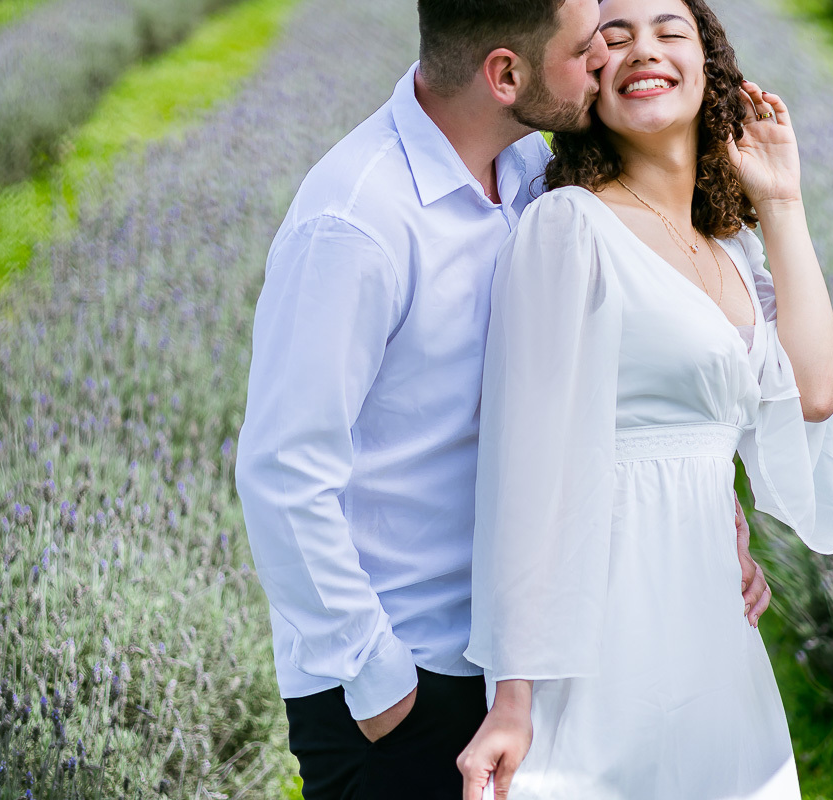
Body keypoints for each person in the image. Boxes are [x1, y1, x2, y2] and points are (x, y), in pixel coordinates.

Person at [233, 1, 773, 797]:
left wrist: (703, 515)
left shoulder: (530, 173)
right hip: (407, 677)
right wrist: (383, 687)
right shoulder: (356, 223)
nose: (604, 60)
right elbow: (282, 474)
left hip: (526, 660)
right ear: (506, 75)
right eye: (585, 48)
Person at [457, 0, 833, 797]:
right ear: (589, 79)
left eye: (670, 31)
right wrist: (512, 697)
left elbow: (813, 395)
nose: (644, 48)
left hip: (713, 615)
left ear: (708, 67)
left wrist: (782, 202)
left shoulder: (734, 251)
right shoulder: (568, 228)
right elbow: (523, 465)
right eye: (615, 35)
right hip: (600, 617)